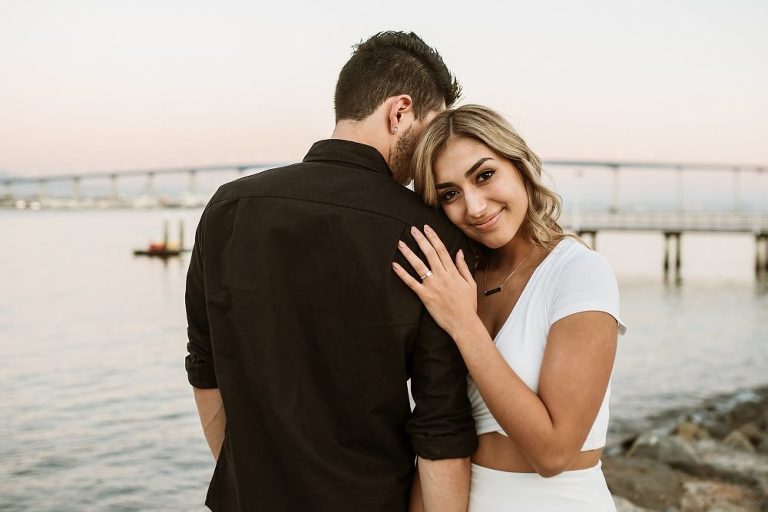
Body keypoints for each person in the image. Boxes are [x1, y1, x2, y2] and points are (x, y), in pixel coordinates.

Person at [184, 32, 478, 512]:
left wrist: (251, 481)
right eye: (432, 128)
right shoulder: (429, 235)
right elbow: (440, 423)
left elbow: (205, 368)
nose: (433, 151)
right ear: (399, 112)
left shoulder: (228, 208)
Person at [392, 104, 626, 511]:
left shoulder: (579, 272)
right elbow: (436, 430)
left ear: (518, 165)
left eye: (485, 175)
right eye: (450, 194)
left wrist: (465, 326)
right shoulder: (454, 283)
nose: (476, 206)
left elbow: (553, 453)